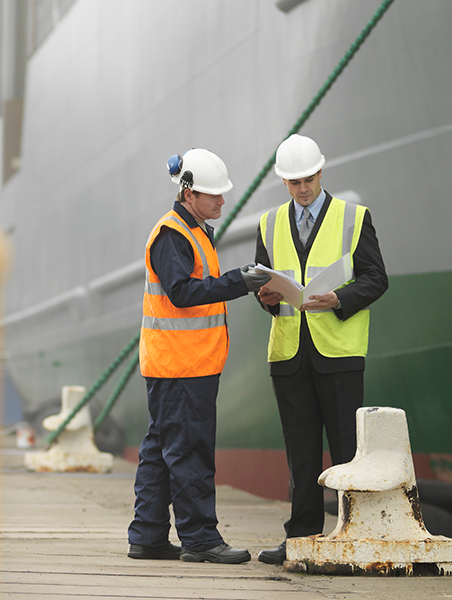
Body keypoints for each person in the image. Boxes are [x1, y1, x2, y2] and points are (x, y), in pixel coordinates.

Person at [251, 134, 388, 565]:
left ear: (321, 172)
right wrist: (266, 299)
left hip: (339, 352)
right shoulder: (269, 224)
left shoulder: (353, 217)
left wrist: (338, 299)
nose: (303, 188)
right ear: (284, 182)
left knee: (347, 450)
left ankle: (352, 535)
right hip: (289, 354)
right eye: (294, 182)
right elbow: (264, 284)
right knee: (301, 452)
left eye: (308, 179)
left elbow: (376, 278)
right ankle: (301, 538)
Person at [127, 148, 269, 564]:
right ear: (189, 193)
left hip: (176, 364)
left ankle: (148, 536)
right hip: (183, 366)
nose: (222, 200)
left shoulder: (190, 230)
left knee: (161, 451)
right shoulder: (174, 235)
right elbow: (182, 293)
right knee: (190, 452)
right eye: (214, 194)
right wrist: (238, 282)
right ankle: (201, 539)